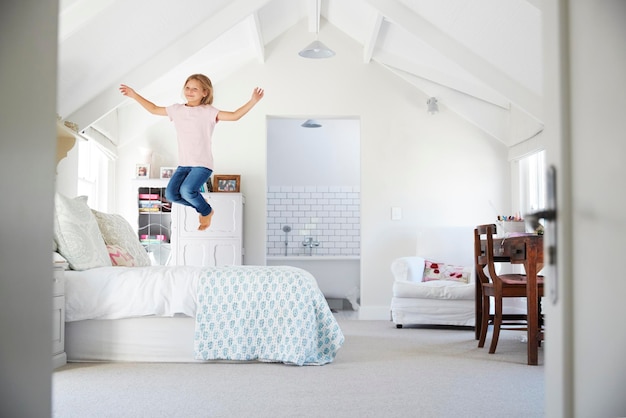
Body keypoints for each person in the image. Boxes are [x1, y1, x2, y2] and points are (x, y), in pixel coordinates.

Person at [120, 75, 264, 230]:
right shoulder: (176, 110)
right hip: (184, 165)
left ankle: (205, 211)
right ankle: (203, 205)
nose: (190, 91)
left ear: (205, 93)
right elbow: (154, 109)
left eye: (195, 88)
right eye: (187, 87)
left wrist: (253, 101)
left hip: (202, 164)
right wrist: (134, 95)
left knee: (187, 190)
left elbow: (235, 116)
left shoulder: (208, 112)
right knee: (171, 195)